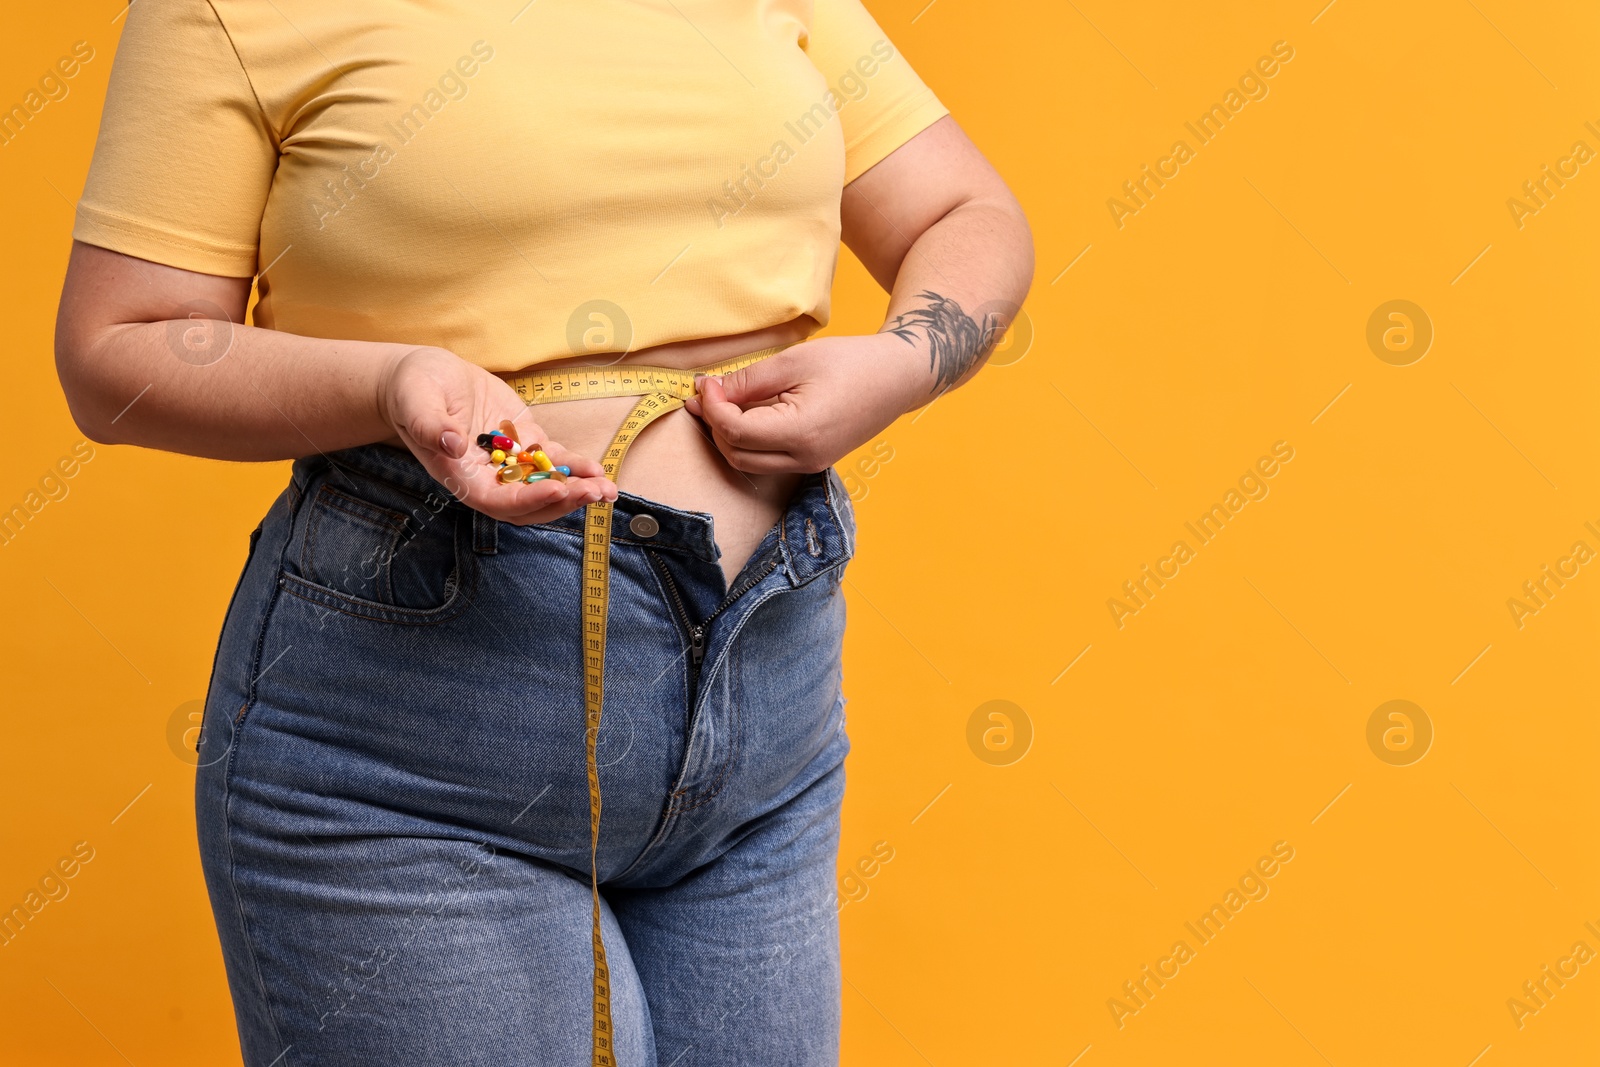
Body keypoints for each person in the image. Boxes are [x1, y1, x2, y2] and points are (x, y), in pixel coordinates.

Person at [54, 1, 1033, 1064]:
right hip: (410, 757)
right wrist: (392, 383)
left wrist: (903, 361)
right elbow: (116, 350)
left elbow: (965, 209)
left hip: (761, 734)